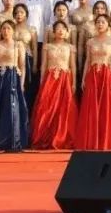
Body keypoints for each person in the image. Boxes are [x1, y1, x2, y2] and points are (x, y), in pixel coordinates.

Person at [0, 21, 30, 152]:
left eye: (8, 28)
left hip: (13, 78)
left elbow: (22, 66)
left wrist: (22, 83)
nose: (6, 31)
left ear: (13, 31)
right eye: (3, 29)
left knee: (12, 108)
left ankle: (13, 141)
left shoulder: (18, 45)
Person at [76, 14, 111, 150]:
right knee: (92, 107)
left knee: (107, 106)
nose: (100, 24)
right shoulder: (90, 42)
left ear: (108, 25)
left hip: (108, 75)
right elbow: (87, 60)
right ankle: (91, 139)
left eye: (103, 22)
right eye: (98, 22)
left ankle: (107, 139)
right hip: (93, 76)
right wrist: (83, 78)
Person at [31, 21, 78, 150]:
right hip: (50, 79)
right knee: (47, 107)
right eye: (58, 28)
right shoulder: (47, 47)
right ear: (53, 32)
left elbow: (73, 66)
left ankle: (62, 137)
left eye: (63, 29)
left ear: (67, 32)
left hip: (65, 79)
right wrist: (42, 81)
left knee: (64, 108)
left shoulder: (70, 47)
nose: (60, 31)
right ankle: (45, 137)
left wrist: (74, 83)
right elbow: (43, 65)